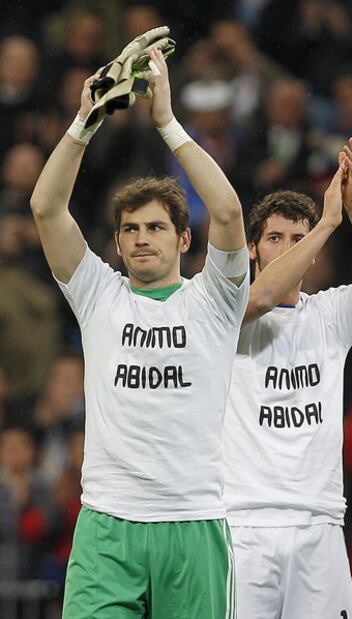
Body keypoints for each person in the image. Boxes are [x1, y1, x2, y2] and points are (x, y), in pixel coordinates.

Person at [30, 38, 249, 618]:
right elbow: (47, 208)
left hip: (193, 522)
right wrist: (84, 121)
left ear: (183, 240)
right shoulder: (98, 293)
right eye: (130, 229)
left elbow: (227, 213)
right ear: (119, 241)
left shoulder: (216, 299)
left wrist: (169, 124)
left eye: (155, 227)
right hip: (108, 524)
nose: (141, 237)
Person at [223, 137, 352, 618]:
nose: (287, 250)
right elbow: (259, 299)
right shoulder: (224, 315)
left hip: (320, 523)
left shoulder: (329, 315)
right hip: (243, 525)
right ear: (252, 250)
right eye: (275, 239)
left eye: (299, 241)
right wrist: (325, 223)